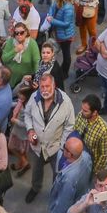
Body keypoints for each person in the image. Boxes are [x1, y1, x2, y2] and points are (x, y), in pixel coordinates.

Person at [22, 72, 76, 204]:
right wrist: (30, 130)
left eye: (47, 86)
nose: (44, 90)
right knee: (36, 168)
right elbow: (27, 115)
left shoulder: (66, 102)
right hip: (37, 145)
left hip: (56, 147)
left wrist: (62, 146)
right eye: (42, 87)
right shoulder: (34, 97)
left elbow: (70, 126)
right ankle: (35, 188)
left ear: (54, 85)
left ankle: (55, 193)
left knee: (58, 173)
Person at [71, 94, 107, 176]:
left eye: (85, 111)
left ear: (94, 113)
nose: (82, 112)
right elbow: (74, 130)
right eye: (82, 109)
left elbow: (104, 156)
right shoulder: (81, 115)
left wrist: (94, 172)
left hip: (89, 165)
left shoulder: (104, 130)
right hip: (75, 159)